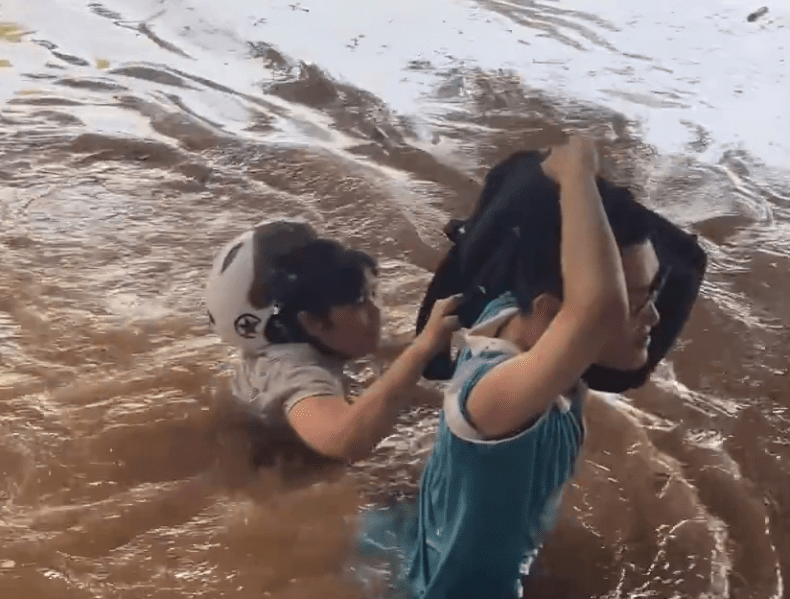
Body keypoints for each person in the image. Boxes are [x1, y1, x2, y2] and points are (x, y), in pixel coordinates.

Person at [359, 135, 666, 599]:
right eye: (637, 302)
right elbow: (597, 309)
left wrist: (571, 191)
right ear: (554, 312)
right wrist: (576, 173)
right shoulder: (493, 396)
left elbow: (555, 264)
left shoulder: (516, 311)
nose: (655, 318)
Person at [204, 220, 460, 464]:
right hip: (284, 464)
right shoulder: (292, 372)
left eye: (372, 295)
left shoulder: (307, 341)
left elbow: (394, 359)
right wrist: (423, 346)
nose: (376, 311)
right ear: (312, 322)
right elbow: (345, 441)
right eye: (360, 302)